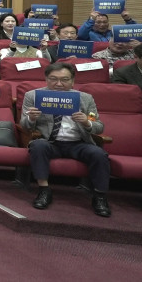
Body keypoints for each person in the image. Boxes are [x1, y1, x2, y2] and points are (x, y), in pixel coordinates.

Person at [20, 62, 111, 217]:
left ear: (73, 81)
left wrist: (86, 122)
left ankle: (100, 196)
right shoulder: (33, 96)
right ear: (46, 79)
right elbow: (24, 126)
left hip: (78, 143)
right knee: (38, 146)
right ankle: (44, 190)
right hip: (50, 142)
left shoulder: (85, 99)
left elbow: (98, 126)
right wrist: (31, 118)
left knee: (99, 154)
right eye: (53, 79)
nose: (59, 84)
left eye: (64, 79)